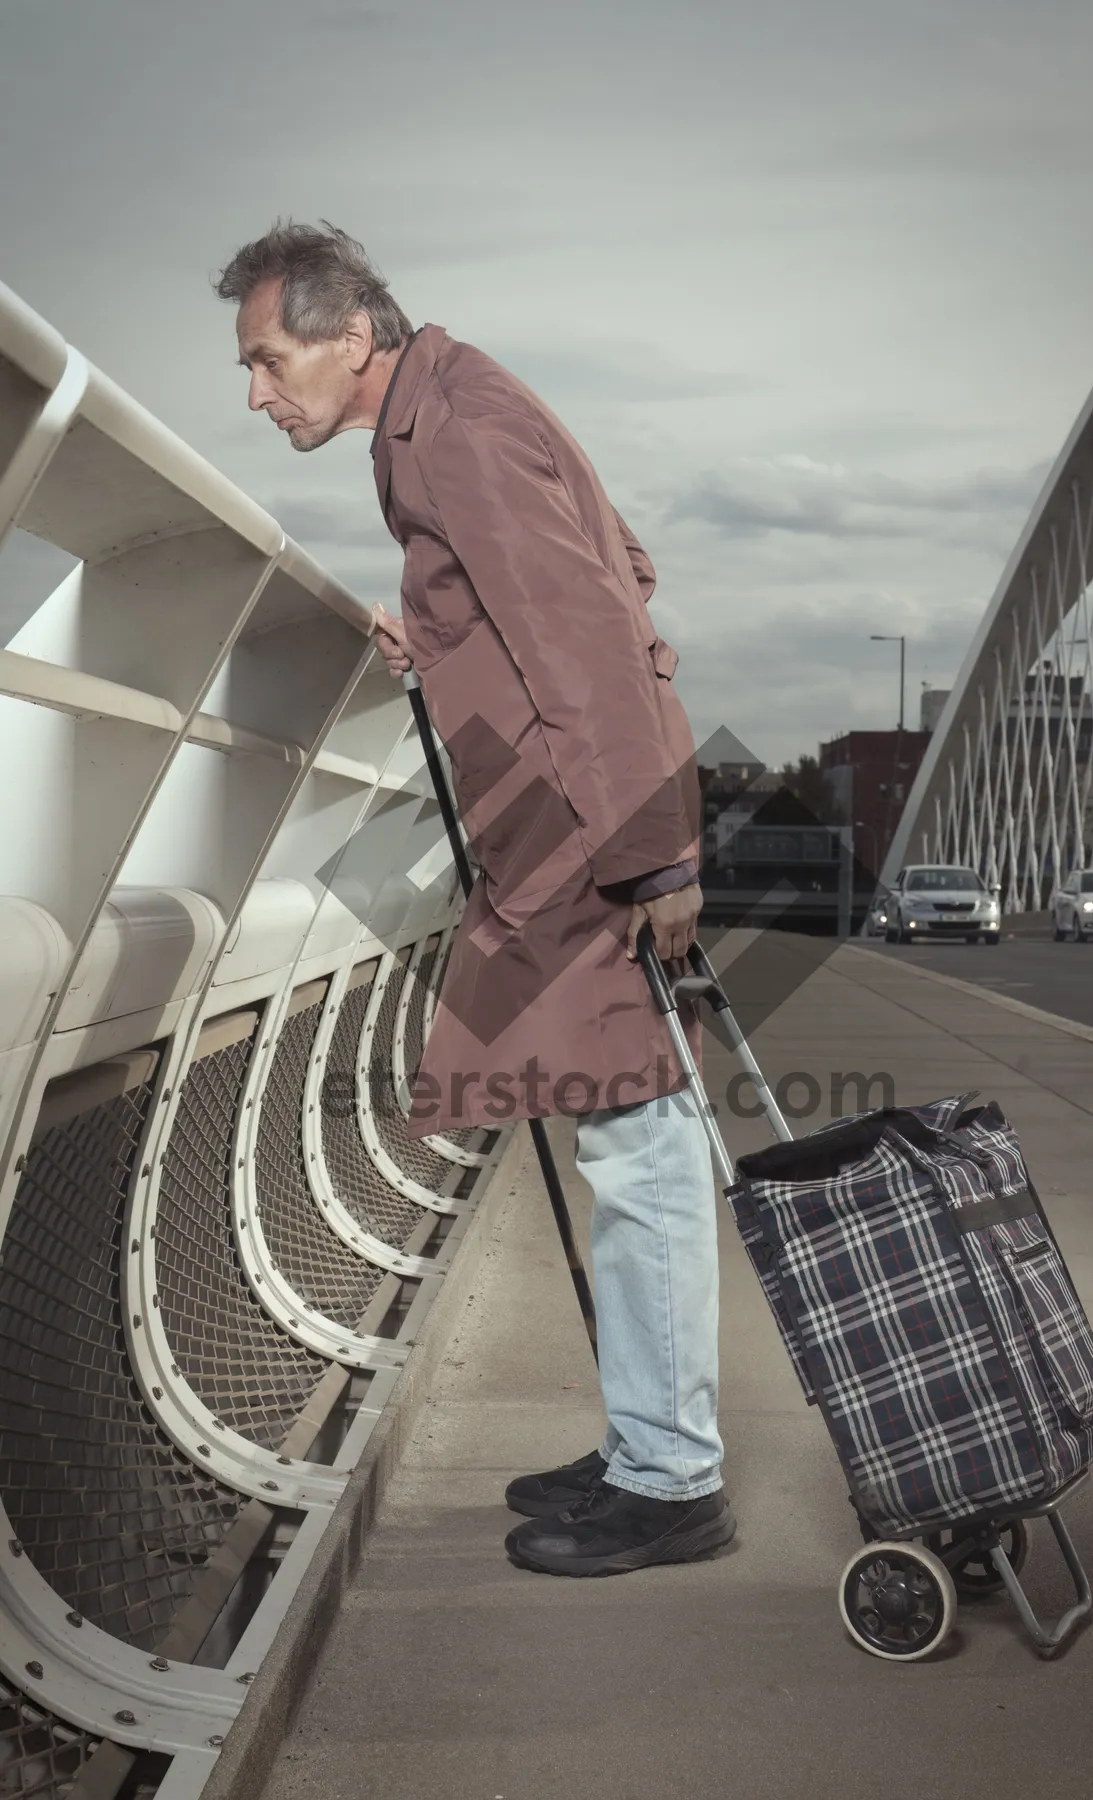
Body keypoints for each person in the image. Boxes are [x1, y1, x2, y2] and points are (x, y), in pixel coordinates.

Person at [214, 220, 734, 1577]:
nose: (257, 394)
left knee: (643, 1156)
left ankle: (675, 1484)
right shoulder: (448, 405)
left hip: (583, 836)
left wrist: (654, 851)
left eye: (269, 361)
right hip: (558, 829)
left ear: (350, 336)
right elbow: (606, 569)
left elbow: (589, 631)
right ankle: (645, 1446)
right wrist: (434, 637)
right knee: (625, 1148)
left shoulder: (453, 428)